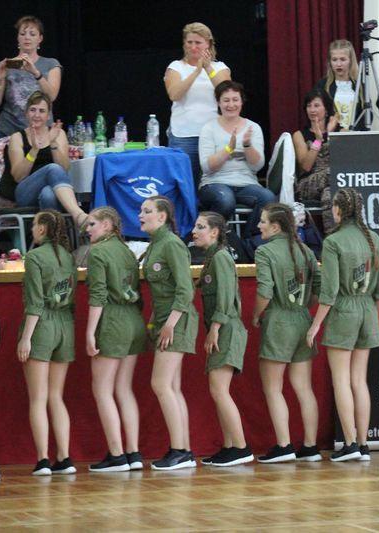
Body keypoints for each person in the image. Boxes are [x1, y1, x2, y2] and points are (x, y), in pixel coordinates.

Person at [306, 188, 379, 462]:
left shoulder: (333, 241)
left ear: (337, 210)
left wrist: (315, 325)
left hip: (343, 311)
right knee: (359, 381)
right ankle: (363, 444)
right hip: (368, 310)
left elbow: (328, 292)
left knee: (341, 380)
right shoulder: (373, 237)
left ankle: (349, 444)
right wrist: (370, 315)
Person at [253, 204, 322, 463]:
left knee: (273, 388)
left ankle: (284, 446)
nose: (258, 225)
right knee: (304, 388)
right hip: (303, 319)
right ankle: (311, 447)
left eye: (262, 221)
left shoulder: (265, 251)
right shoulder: (305, 250)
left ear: (275, 227)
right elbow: (318, 289)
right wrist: (303, 308)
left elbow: (265, 290)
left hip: (278, 321)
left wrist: (256, 315)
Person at [84, 207, 147, 472]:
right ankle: (133, 453)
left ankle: (117, 455)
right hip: (134, 319)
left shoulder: (98, 252)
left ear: (108, 225)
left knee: (102, 389)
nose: (87, 229)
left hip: (113, 320)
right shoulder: (126, 251)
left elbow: (98, 295)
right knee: (124, 389)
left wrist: (90, 332)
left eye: (92, 224)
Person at [139, 195, 199, 470]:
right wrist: (154, 322)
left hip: (177, 318)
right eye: (141, 211)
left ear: (162, 217)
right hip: (165, 318)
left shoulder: (172, 244)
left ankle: (180, 450)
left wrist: (170, 324)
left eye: (147, 211)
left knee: (161, 384)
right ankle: (183, 450)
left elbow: (185, 290)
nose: (140, 215)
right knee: (171, 387)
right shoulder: (156, 243)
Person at [18, 209, 77, 476]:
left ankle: (43, 459)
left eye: (34, 224)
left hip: (42, 327)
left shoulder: (34, 257)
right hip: (65, 325)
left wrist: (26, 338)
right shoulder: (68, 256)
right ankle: (64, 458)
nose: (32, 229)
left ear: (42, 228)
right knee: (56, 396)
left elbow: (35, 303)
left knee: (38, 398)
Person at [193, 212, 253, 467]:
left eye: (201, 227)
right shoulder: (212, 258)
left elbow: (226, 297)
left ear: (215, 232)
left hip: (227, 328)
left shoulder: (220, 258)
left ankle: (241, 447)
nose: (194, 231)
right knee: (218, 390)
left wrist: (215, 328)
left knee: (219, 389)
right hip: (222, 328)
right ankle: (229, 446)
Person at [198, 80, 275, 239]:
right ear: (218, 103)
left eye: (235, 100)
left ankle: (248, 242)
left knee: (268, 198)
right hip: (215, 183)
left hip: (246, 184)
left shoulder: (253, 127)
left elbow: (257, 166)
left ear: (241, 102)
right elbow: (207, 167)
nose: (231, 105)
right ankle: (215, 241)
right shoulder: (208, 128)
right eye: (226, 100)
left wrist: (247, 145)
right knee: (225, 200)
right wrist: (228, 149)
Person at [0, 91, 86, 226]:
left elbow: (64, 168)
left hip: (54, 188)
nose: (37, 115)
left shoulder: (58, 134)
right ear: (26, 113)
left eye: (41, 111)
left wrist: (53, 142)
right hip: (25, 191)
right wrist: (34, 149)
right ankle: (78, 215)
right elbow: (18, 176)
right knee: (52, 168)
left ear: (48, 115)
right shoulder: (17, 137)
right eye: (33, 110)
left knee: (48, 194)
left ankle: (51, 237)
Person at [164, 22, 231, 189]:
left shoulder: (219, 67)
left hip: (212, 133)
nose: (193, 47)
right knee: (185, 184)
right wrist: (196, 71)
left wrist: (207, 68)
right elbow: (175, 95)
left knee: (212, 182)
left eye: (198, 43)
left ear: (208, 44)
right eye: (189, 42)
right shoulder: (176, 67)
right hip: (184, 134)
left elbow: (226, 93)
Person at [0, 16, 62, 138]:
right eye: (22, 34)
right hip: (8, 129)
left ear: (40, 39)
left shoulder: (51, 63)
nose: (27, 37)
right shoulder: (7, 65)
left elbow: (52, 96)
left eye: (32, 34)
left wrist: (36, 73)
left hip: (40, 129)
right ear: (18, 38)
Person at [293, 88, 339, 232]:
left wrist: (330, 135)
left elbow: (344, 160)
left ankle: (331, 237)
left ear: (326, 110)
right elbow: (306, 166)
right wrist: (319, 140)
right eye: (309, 106)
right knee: (332, 173)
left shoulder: (341, 132)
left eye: (317, 105)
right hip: (308, 184)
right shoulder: (300, 135)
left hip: (334, 183)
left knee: (329, 194)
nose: (312, 110)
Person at [314, 39, 361, 131]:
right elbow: (317, 113)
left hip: (355, 136)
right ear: (330, 62)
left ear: (350, 61)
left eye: (343, 59)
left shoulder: (359, 85)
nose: (339, 64)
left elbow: (367, 115)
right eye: (334, 60)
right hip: (330, 134)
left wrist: (352, 131)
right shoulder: (322, 85)